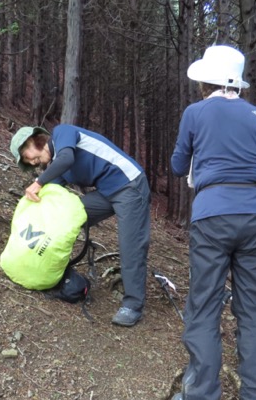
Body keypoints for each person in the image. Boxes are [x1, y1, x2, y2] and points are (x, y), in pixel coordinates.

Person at [169, 45, 256, 400]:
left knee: (204, 307)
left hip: (212, 216)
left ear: (206, 79)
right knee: (254, 310)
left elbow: (179, 165)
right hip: (255, 217)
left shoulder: (196, 113)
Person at [9, 124, 150, 327]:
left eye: (26, 155)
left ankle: (132, 305)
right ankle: (55, 271)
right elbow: (51, 191)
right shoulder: (57, 167)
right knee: (66, 218)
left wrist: (38, 182)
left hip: (130, 185)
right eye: (26, 162)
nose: (31, 162)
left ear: (34, 140)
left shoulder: (62, 133)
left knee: (131, 246)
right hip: (106, 192)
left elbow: (67, 159)